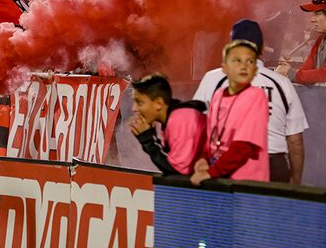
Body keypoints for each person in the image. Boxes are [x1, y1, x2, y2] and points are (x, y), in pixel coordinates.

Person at [194, 20, 308, 183]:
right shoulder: (281, 83)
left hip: (224, 161)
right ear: (261, 49)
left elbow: (196, 126)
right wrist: (296, 181)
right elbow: (295, 140)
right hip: (272, 164)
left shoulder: (213, 79)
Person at [190, 40, 270, 184]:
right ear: (225, 68)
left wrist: (212, 172)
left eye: (250, 61)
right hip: (221, 179)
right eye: (237, 61)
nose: (244, 66)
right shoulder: (218, 95)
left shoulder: (256, 96)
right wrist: (203, 158)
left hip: (246, 185)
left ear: (255, 70)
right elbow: (210, 136)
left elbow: (243, 147)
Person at [129, 74, 207, 175]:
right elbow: (169, 160)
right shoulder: (171, 119)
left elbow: (179, 170)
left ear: (158, 103)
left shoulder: (181, 119)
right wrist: (149, 138)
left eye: (139, 102)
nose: (134, 109)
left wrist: (148, 140)